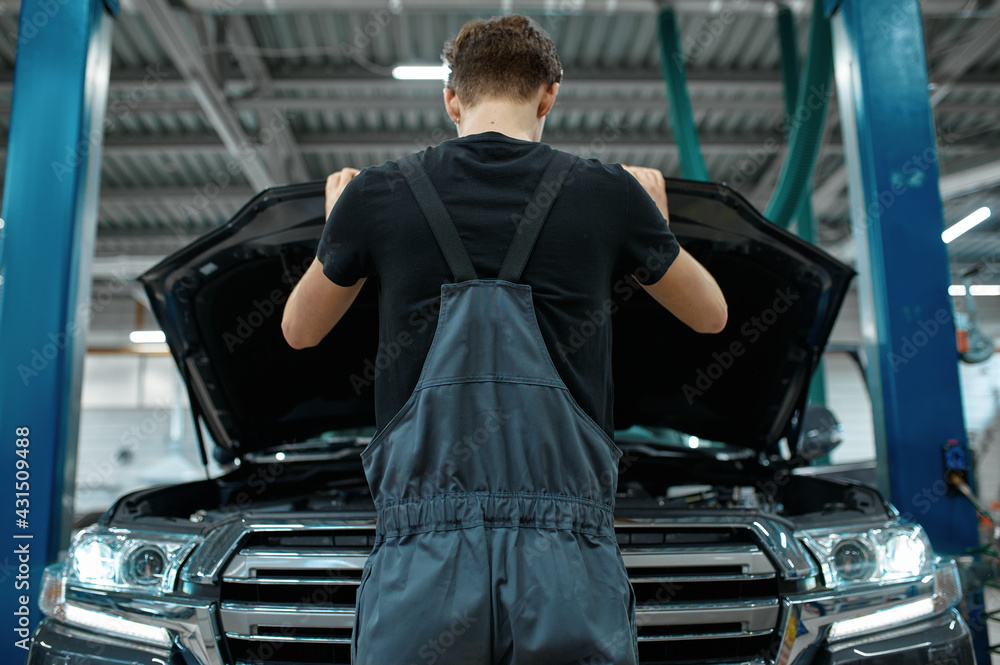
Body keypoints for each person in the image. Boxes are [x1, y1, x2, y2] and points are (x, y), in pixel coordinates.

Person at [281, 14, 726, 665]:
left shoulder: (376, 194)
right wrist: (654, 225)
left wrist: (339, 229)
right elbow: (711, 314)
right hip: (566, 569)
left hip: (420, 568)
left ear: (451, 99)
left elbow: (298, 329)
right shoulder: (610, 194)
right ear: (550, 94)